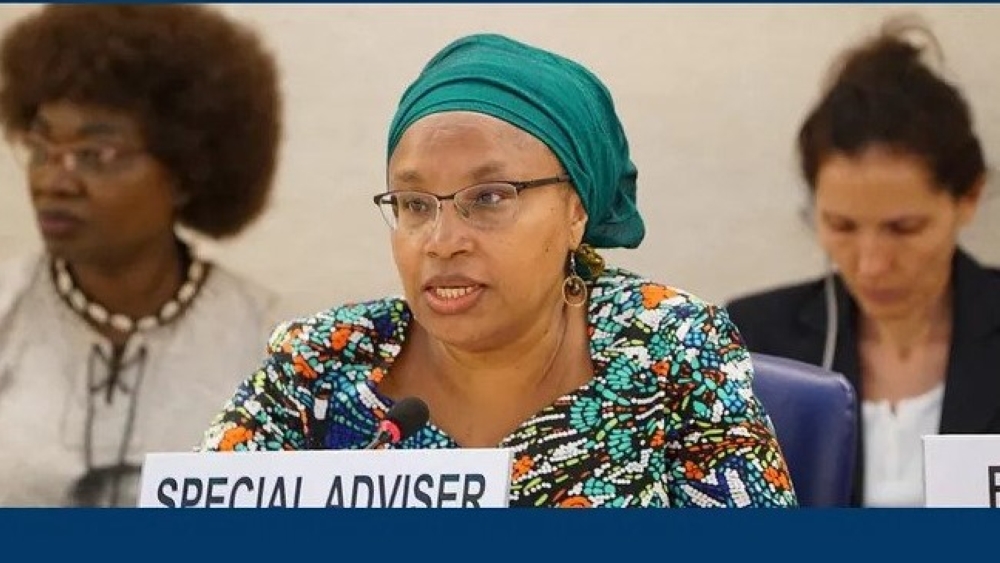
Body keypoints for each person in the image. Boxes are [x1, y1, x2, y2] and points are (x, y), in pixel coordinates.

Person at [200, 33, 796, 508]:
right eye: (415, 205)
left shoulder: (671, 347)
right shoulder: (320, 363)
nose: (441, 242)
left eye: (488, 198)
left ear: (576, 211)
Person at [0, 4, 282, 507]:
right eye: (41, 148)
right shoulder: (10, 313)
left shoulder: (266, 345)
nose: (53, 182)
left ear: (185, 174)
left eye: (96, 156)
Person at [726, 18, 1000, 507]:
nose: (871, 265)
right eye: (841, 226)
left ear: (969, 198)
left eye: (904, 228)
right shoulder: (756, 343)